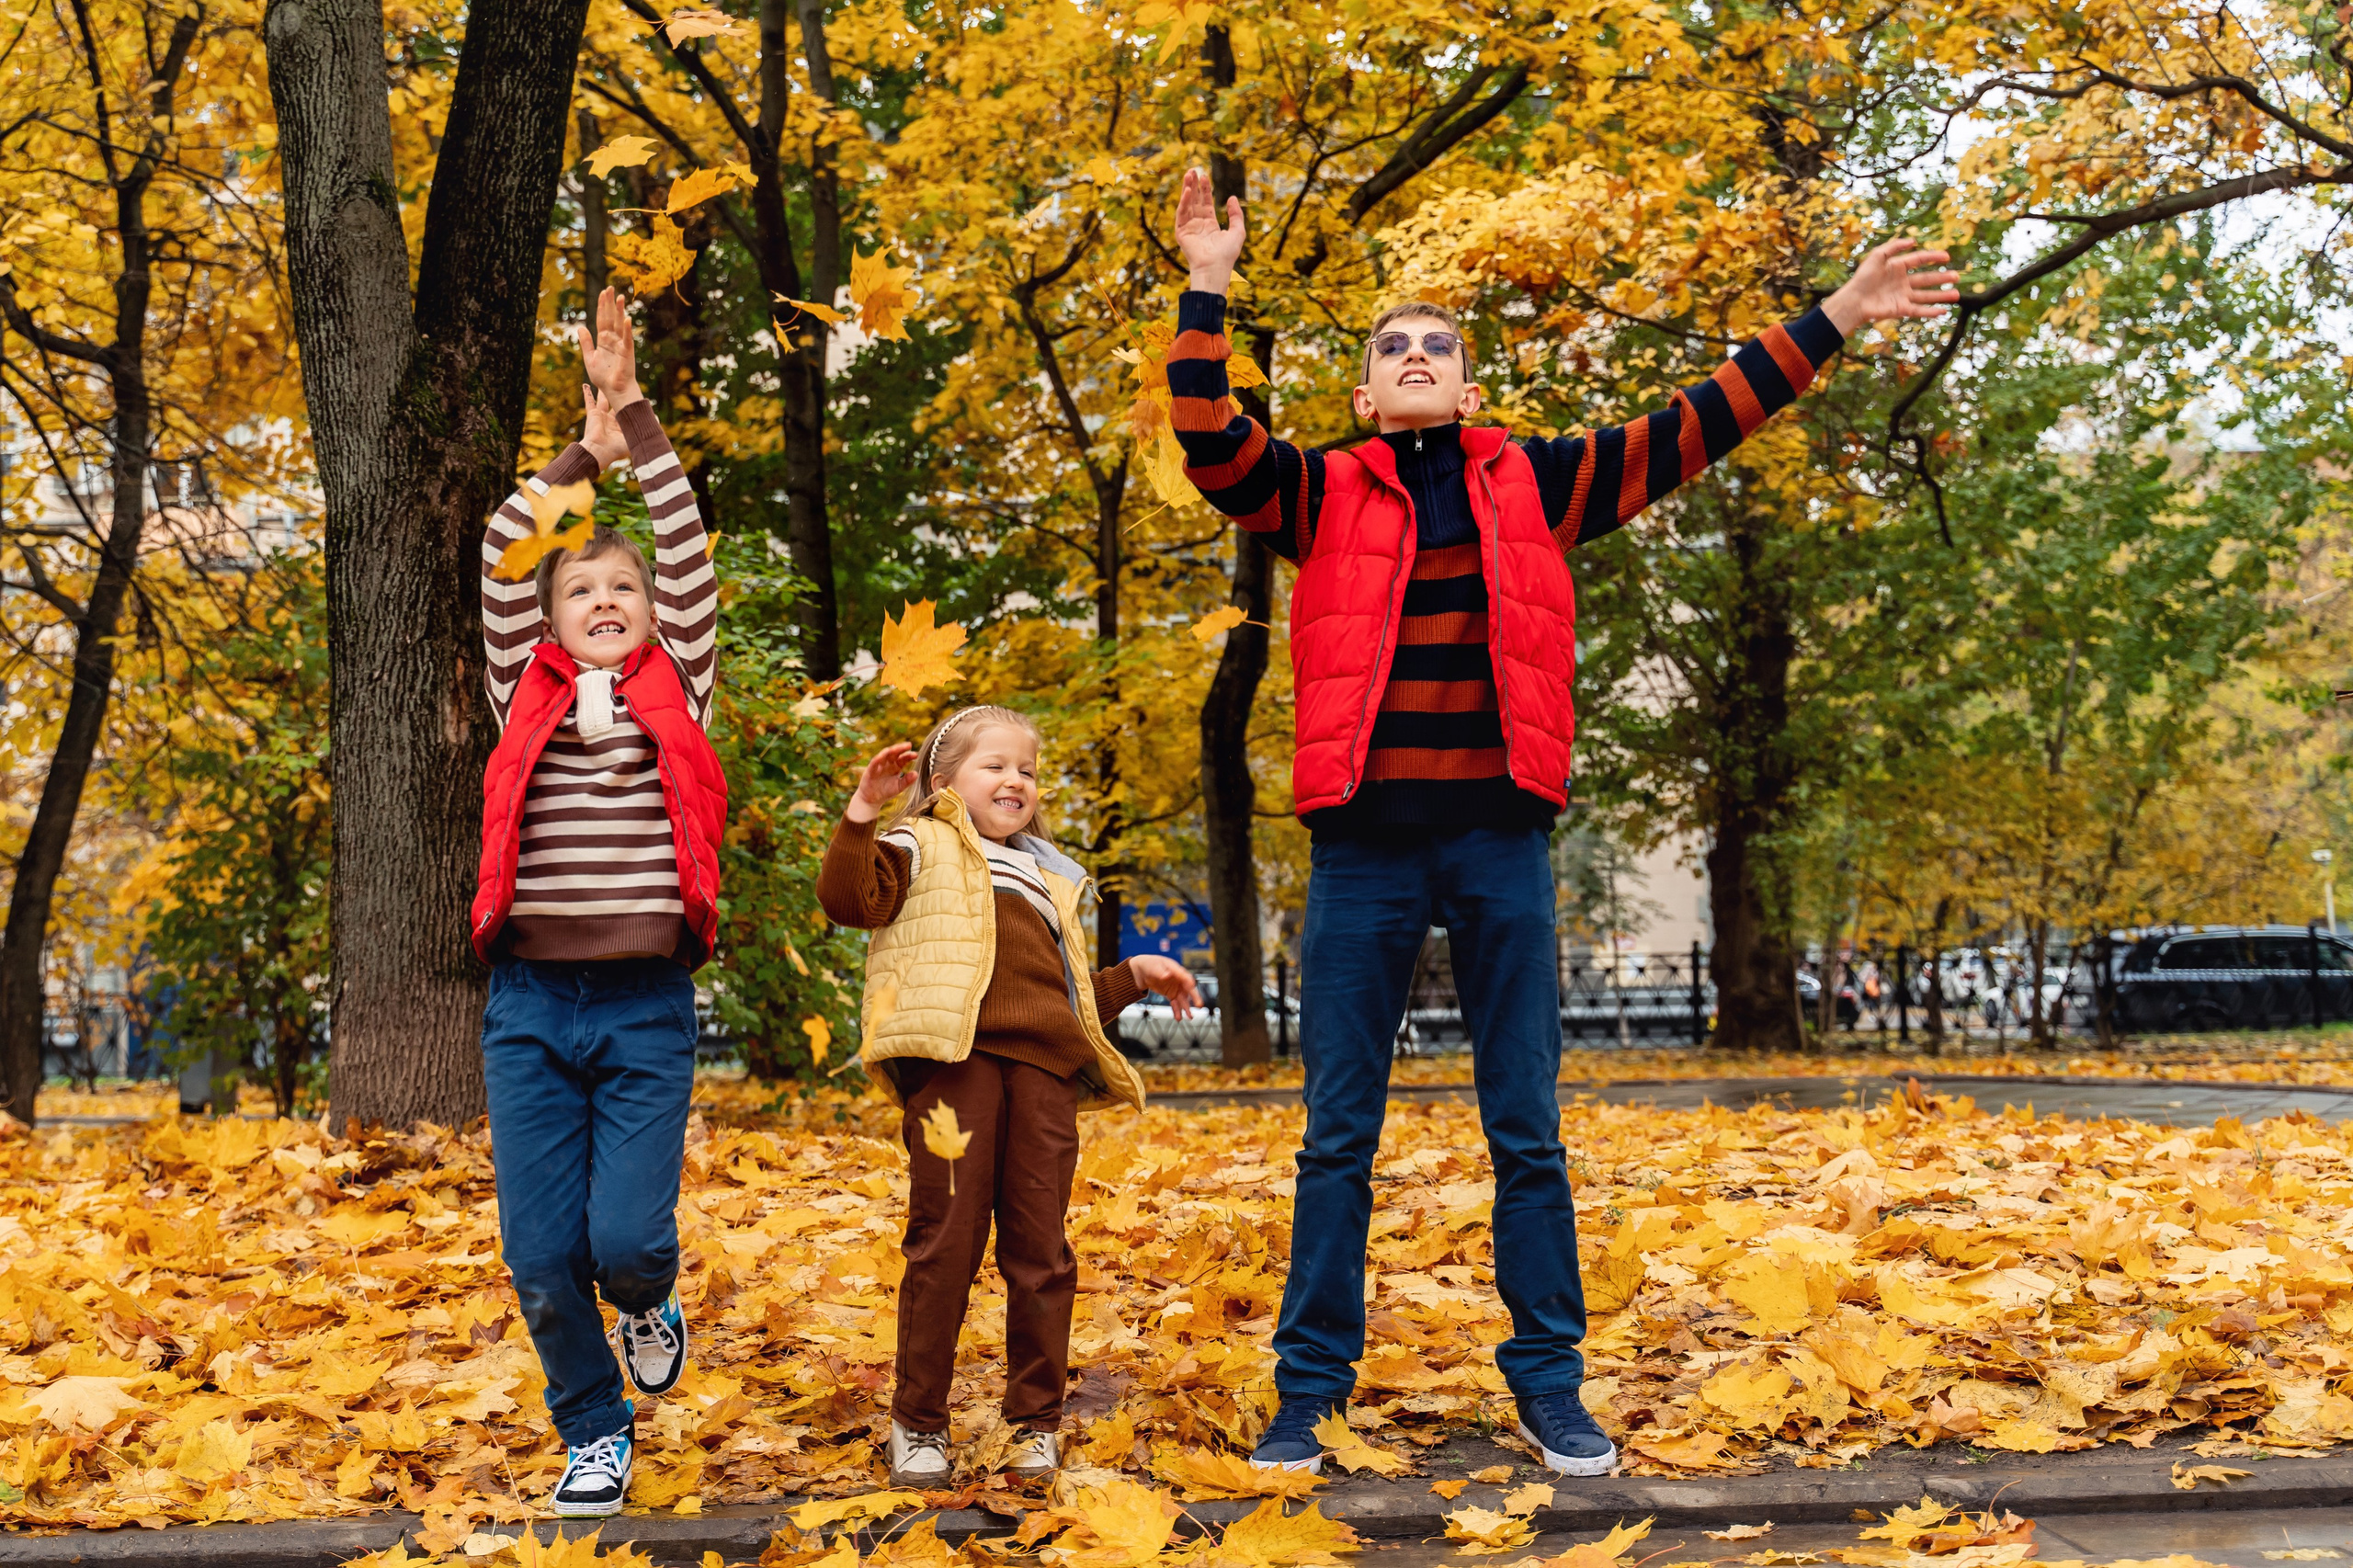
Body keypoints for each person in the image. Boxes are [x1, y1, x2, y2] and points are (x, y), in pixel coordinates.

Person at [1164, 168, 1960, 1476]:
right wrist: (1208, 284)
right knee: (1337, 1134)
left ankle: (1550, 1381)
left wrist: (1838, 314)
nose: (1416, 359)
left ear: (1470, 388)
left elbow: (1698, 421)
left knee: (1524, 1125)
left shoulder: (1539, 483)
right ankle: (1309, 1390)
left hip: (1498, 842)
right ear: (1366, 393)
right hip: (1363, 847)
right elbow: (1209, 437)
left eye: (1439, 349)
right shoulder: (1318, 492)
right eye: (1393, 350)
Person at [472, 287, 727, 1517]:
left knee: (623, 1243)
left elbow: (685, 548)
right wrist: (584, 447)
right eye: (584, 592)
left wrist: (638, 416)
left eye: (625, 590)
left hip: (641, 1003)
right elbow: (504, 544)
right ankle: (593, 1426)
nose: (609, 600)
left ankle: (651, 1302)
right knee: (539, 1251)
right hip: (527, 1000)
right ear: (553, 617)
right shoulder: (518, 685)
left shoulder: (681, 683)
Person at [818, 708, 1201, 1485]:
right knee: (946, 1243)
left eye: (1026, 769)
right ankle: (918, 1422)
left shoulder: (1049, 874)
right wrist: (863, 814)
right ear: (942, 780)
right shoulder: (914, 844)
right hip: (954, 1069)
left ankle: (1034, 1422)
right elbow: (849, 901)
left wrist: (1137, 974)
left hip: (1042, 1076)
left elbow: (1064, 1002)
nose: (1015, 780)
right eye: (994, 765)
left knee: (1040, 1252)